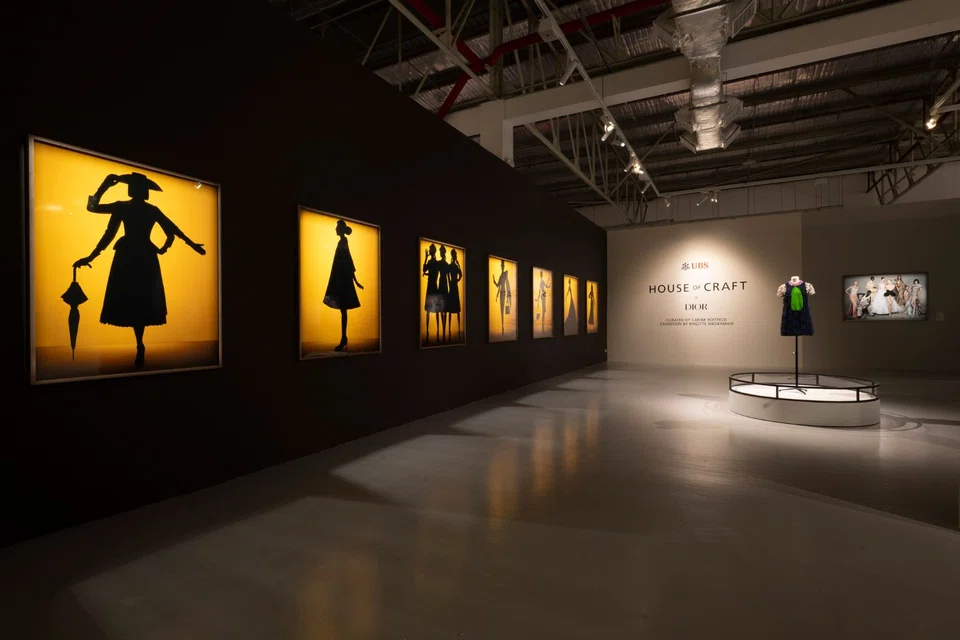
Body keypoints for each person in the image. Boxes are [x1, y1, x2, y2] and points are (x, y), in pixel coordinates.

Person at [73, 172, 205, 369]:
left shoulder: (124, 207)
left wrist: (104, 186)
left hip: (129, 256)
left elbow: (103, 224)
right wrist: (186, 244)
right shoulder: (149, 209)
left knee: (136, 299)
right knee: (141, 299)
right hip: (144, 255)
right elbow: (172, 230)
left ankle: (139, 343)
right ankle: (139, 343)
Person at [322, 219, 364, 352]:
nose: (335, 230)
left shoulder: (343, 242)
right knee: (343, 310)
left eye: (336, 228)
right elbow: (348, 261)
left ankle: (343, 338)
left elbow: (348, 261)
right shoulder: (342, 242)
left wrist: (355, 280)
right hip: (342, 279)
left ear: (340, 229)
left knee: (343, 310)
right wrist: (355, 280)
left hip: (343, 280)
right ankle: (343, 338)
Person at [422, 244, 443, 343]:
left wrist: (426, 258)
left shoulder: (431, 262)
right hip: (435, 286)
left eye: (430, 250)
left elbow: (424, 269)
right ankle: (438, 330)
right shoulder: (437, 263)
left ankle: (427, 331)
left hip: (431, 287)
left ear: (432, 251)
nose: (429, 251)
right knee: (437, 310)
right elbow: (431, 272)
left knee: (428, 310)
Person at [446, 248, 463, 341]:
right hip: (454, 287)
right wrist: (456, 280)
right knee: (454, 308)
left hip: (453, 286)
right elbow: (460, 275)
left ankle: (454, 328)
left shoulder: (453, 266)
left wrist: (452, 282)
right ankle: (453, 328)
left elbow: (460, 275)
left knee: (453, 309)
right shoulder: (454, 266)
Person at [491, 259, 511, 335]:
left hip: (504, 293)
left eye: (502, 266)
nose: (502, 267)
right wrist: (494, 280)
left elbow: (506, 284)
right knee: (501, 309)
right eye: (501, 266)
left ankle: (503, 326)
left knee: (502, 309)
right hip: (501, 293)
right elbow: (498, 286)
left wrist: (508, 297)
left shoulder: (505, 274)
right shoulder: (501, 275)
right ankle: (502, 325)